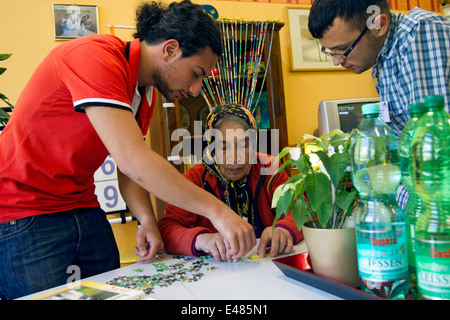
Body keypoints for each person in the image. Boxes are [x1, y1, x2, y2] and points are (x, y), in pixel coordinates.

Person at [0, 1, 256, 300]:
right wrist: (220, 213)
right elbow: (133, 160)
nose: (196, 89)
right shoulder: (93, 56)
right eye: (196, 73)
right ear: (170, 50)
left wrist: (146, 219)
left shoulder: (143, 91)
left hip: (82, 205)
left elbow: (128, 165)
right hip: (23, 211)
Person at [308, 0, 450, 209]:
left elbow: (435, 156)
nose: (337, 61)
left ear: (379, 25)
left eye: (343, 49)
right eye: (329, 51)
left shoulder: (420, 34)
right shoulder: (384, 58)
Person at [158, 104, 303, 262]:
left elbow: (303, 209)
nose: (235, 157)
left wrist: (285, 229)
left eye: (244, 145)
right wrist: (202, 240)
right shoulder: (195, 179)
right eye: (223, 146)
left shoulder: (269, 168)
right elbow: (167, 229)